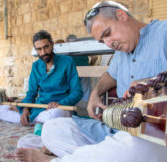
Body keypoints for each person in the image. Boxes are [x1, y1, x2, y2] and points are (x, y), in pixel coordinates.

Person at [15, 1, 167, 161]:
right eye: (102, 41)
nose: (109, 44)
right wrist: (95, 94)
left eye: (107, 33)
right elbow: (110, 75)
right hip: (115, 130)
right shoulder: (121, 51)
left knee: (131, 148)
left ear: (121, 16)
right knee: (53, 128)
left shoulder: (163, 32)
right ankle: (96, 154)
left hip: (151, 134)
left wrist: (151, 82)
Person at [0, 30, 83, 126]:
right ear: (36, 50)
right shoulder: (36, 66)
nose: (43, 52)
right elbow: (31, 93)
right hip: (40, 107)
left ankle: (35, 120)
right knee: (0, 110)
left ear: (52, 45)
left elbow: (77, 92)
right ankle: (36, 120)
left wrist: (60, 104)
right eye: (39, 49)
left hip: (61, 108)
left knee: (54, 114)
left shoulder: (67, 62)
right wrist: (25, 109)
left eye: (46, 47)